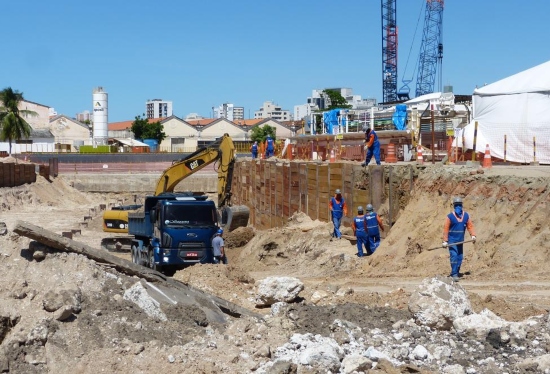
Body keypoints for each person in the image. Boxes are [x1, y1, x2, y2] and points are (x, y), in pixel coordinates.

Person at [442, 197, 476, 281]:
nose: (458, 207)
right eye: (456, 205)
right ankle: (454, 274)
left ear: (462, 205)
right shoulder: (450, 217)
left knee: (460, 257)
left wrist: (473, 235)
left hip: (461, 240)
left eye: (459, 205)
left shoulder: (466, 216)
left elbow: (470, 226)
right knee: (454, 256)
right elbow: (446, 229)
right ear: (454, 206)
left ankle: (456, 271)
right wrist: (445, 241)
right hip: (452, 240)